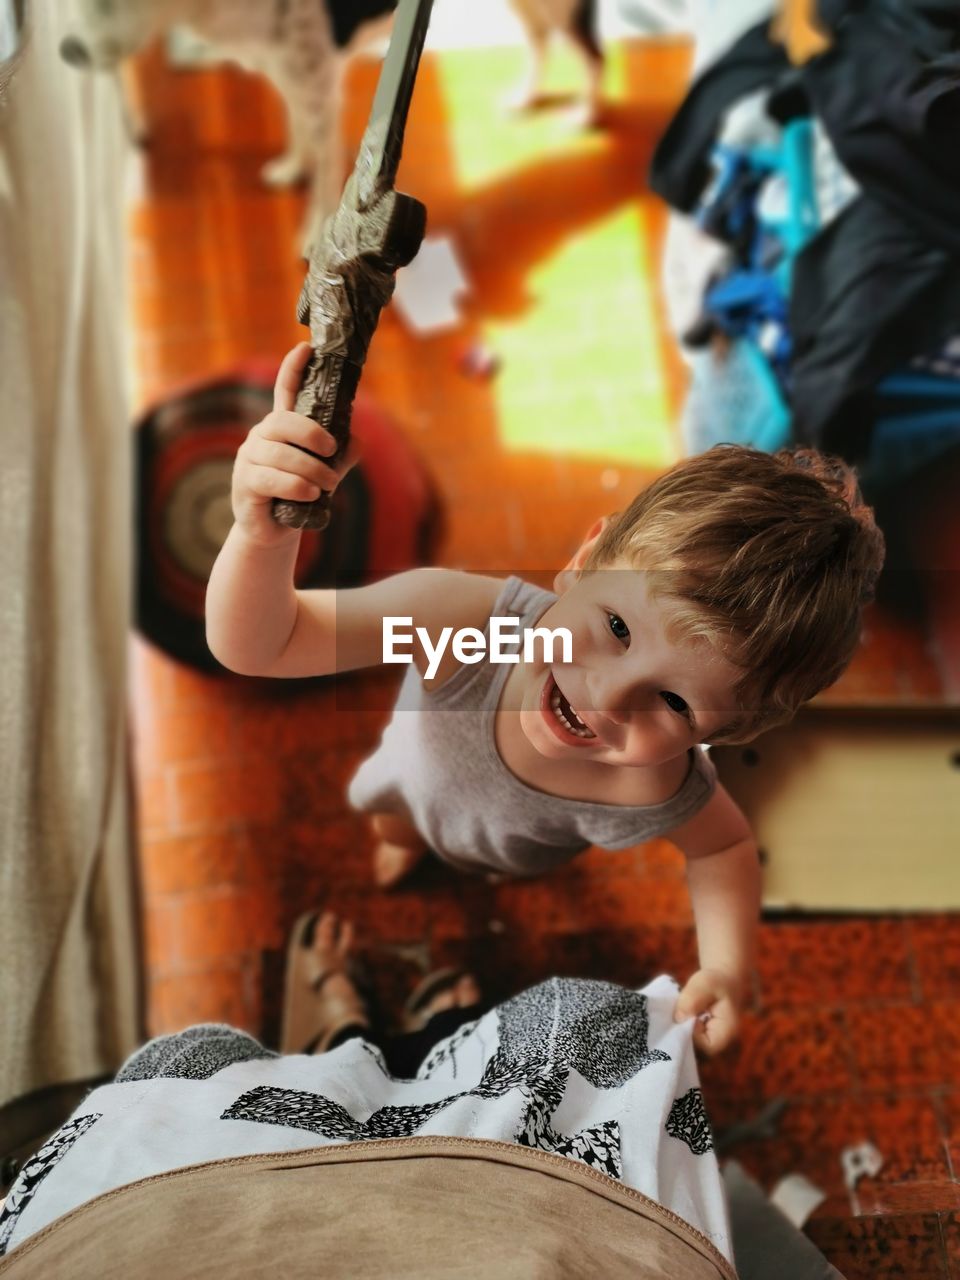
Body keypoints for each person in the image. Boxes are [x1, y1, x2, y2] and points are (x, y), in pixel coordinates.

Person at [206, 342, 885, 1057]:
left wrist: (727, 967)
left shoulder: (654, 780)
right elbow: (262, 644)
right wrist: (261, 534)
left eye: (676, 705)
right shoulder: (466, 627)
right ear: (582, 562)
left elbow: (725, 847)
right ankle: (406, 847)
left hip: (515, 851)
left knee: (488, 859)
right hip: (407, 785)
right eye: (616, 627)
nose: (609, 699)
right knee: (398, 829)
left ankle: (456, 858)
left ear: (731, 727)